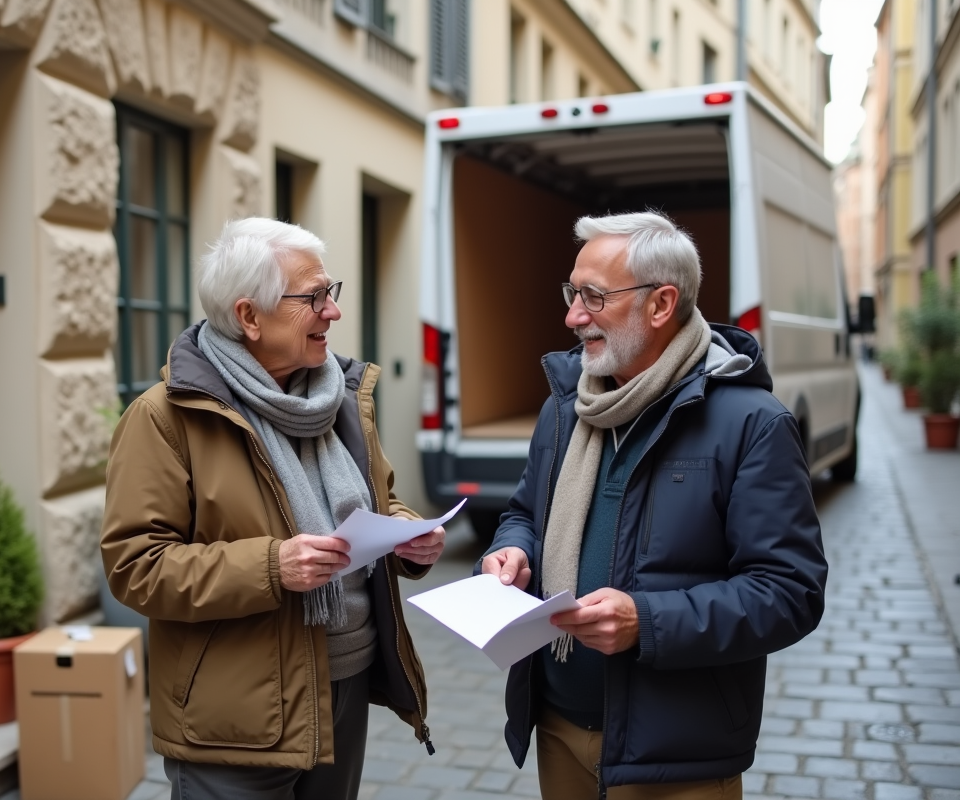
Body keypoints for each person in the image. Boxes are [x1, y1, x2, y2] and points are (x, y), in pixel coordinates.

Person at [479, 211, 827, 800]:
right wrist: (508, 547)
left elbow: (790, 593)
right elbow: (523, 514)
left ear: (661, 304)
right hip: (558, 730)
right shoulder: (566, 408)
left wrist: (647, 622)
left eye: (593, 296)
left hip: (676, 759)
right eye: (571, 292)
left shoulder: (753, 424)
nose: (572, 316)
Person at [101, 217, 443, 800]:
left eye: (330, 293)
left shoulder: (338, 397)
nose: (332, 312)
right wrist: (271, 567)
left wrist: (409, 534)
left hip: (346, 685)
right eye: (313, 297)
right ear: (249, 317)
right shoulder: (166, 417)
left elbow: (381, 500)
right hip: (237, 716)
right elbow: (136, 566)